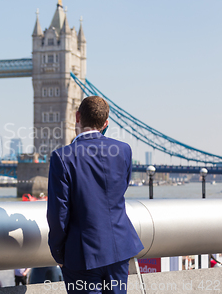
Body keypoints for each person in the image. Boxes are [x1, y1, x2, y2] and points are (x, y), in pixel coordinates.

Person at [47, 96, 144, 294]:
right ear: (106, 123)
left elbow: (58, 215)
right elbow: (119, 191)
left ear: (77, 117)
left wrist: (59, 254)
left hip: (81, 255)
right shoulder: (124, 151)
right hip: (119, 249)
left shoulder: (62, 157)